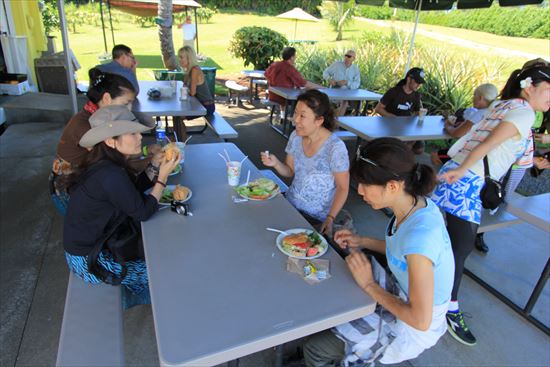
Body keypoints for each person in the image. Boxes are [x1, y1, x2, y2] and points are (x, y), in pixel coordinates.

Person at [303, 138, 454, 366]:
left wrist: (369, 286)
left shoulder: (420, 239)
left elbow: (420, 320)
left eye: (365, 185)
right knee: (339, 274)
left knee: (316, 349)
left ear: (393, 186)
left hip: (411, 327)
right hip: (401, 290)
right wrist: (361, 240)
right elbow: (401, 252)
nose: (359, 191)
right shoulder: (415, 205)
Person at [431, 64, 550, 346]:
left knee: (437, 236)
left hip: (455, 173)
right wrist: (463, 171)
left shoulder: (504, 105)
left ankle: (419, 286)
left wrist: (535, 159)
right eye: (548, 91)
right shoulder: (524, 112)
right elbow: (487, 145)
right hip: (466, 180)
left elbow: (498, 146)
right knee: (459, 250)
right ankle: (448, 309)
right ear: (529, 88)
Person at [63, 105, 180, 308]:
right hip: (89, 260)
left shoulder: (108, 165)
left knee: (153, 257)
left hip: (95, 244)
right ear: (110, 141)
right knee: (159, 271)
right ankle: (138, 298)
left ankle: (135, 287)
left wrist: (153, 165)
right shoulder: (110, 174)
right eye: (132, 133)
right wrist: (162, 177)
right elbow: (143, 212)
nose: (140, 137)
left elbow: (131, 193)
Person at [50, 68, 151, 215]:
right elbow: (117, 165)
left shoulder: (100, 119)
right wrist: (152, 163)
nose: (129, 109)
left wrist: (147, 153)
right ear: (106, 99)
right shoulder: (86, 127)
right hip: (70, 188)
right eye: (125, 104)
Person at [260, 90, 349, 234]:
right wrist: (275, 163)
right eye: (295, 113)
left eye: (302, 116)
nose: (296, 119)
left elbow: (343, 188)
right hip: (291, 205)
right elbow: (289, 171)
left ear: (319, 120)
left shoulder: (335, 148)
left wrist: (330, 217)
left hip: (316, 218)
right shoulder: (296, 136)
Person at [375, 67, 426, 154]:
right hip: (390, 126)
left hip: (405, 127)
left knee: (419, 149)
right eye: (417, 82)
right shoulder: (394, 92)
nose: (418, 85)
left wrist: (419, 114)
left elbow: (417, 112)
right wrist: (392, 117)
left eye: (420, 83)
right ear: (409, 79)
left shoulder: (416, 95)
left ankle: (401, 153)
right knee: (403, 146)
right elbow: (378, 109)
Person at [178, 46, 215, 116]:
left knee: (179, 116)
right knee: (178, 114)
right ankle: (178, 127)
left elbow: (192, 92)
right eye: (179, 57)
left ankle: (179, 127)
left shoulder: (195, 70)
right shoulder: (189, 70)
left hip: (206, 107)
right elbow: (185, 88)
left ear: (189, 58)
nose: (179, 60)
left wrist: (186, 90)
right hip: (199, 105)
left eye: (181, 57)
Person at [322, 50, 361, 116]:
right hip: (335, 91)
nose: (346, 57)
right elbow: (325, 72)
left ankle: (339, 120)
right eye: (345, 55)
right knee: (344, 103)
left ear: (353, 58)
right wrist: (329, 79)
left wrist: (347, 83)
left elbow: (357, 84)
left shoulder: (355, 69)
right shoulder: (337, 64)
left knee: (356, 103)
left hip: (348, 93)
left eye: (349, 56)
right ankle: (338, 122)